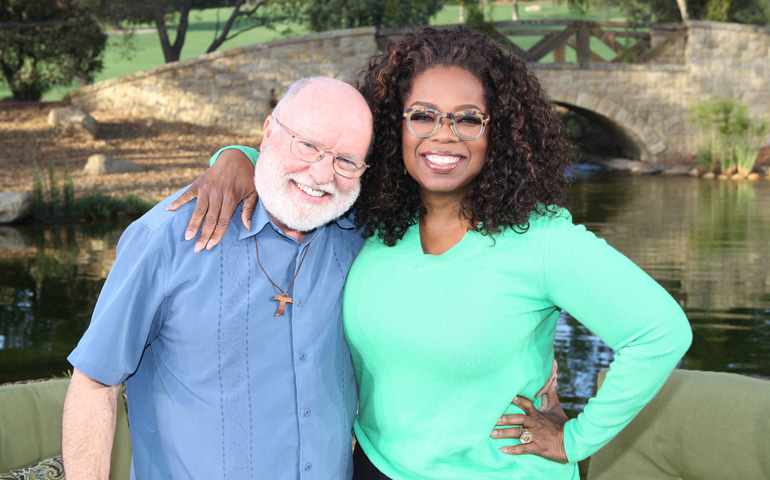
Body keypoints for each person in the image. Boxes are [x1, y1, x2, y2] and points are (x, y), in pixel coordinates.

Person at [171, 28, 692, 480]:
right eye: (422, 115)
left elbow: (660, 332)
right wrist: (236, 158)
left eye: (469, 119)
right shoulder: (369, 221)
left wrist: (577, 439)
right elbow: (307, 165)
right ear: (393, 124)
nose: (444, 135)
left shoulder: (542, 241)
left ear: (500, 132)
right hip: (375, 468)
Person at [61, 77, 375, 479]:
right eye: (308, 145)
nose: (322, 173)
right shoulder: (167, 240)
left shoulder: (361, 241)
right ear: (268, 131)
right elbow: (93, 384)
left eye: (346, 160)